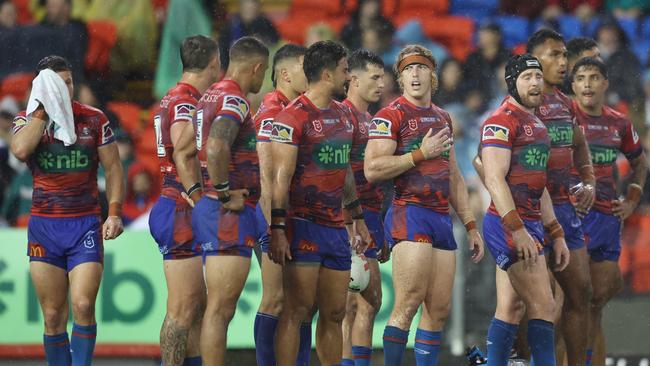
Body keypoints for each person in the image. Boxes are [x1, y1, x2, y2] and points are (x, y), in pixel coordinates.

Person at [363, 44, 484, 366]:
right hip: (409, 211)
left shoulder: (443, 116)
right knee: (408, 302)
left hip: (442, 217)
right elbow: (372, 169)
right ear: (400, 79)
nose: (414, 74)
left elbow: (455, 176)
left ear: (433, 75)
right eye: (407, 70)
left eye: (420, 68)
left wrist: (471, 224)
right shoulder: (390, 115)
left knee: (438, 310)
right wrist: (419, 154)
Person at [10, 55, 124, 365]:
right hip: (45, 227)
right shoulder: (26, 120)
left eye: (69, 82)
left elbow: (114, 168)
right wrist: (43, 110)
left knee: (84, 305)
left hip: (84, 223)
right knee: (52, 315)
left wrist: (113, 212)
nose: (66, 88)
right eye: (58, 83)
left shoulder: (94, 118)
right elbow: (20, 150)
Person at [268, 40, 370, 365]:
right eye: (344, 71)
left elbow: (346, 173)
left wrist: (357, 218)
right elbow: (279, 181)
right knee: (297, 311)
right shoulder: (291, 118)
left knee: (336, 312)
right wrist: (278, 229)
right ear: (327, 75)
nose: (348, 77)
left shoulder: (344, 115)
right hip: (303, 225)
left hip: (335, 228)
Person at [477, 54, 570, 366]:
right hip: (508, 224)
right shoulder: (500, 121)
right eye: (527, 77)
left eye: (538, 76)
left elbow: (538, 184)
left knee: (512, 307)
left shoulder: (537, 124)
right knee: (544, 305)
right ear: (511, 83)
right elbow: (492, 177)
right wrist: (517, 230)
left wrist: (556, 232)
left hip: (529, 224)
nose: (535, 83)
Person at [191, 36, 268, 366]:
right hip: (225, 211)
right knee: (220, 308)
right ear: (257, 68)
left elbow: (186, 147)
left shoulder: (209, 95)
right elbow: (216, 146)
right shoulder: (235, 100)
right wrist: (222, 190)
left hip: (215, 208)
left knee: (219, 307)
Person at [148, 35, 220, 366]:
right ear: (214, 64)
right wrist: (198, 199)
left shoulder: (177, 97)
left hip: (176, 205)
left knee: (196, 308)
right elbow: (182, 149)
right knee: (182, 308)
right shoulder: (186, 102)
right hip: (180, 206)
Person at [571, 57, 647, 366]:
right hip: (572, 219)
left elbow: (640, 162)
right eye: (581, 78)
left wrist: (631, 198)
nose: (587, 83)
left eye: (593, 77)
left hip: (607, 218)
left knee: (594, 305)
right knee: (569, 304)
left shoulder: (620, 123)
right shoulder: (563, 118)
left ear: (605, 83)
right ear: (573, 85)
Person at [527, 29, 595, 366]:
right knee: (532, 304)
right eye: (554, 54)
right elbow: (484, 160)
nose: (563, 61)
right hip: (532, 212)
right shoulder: (521, 103)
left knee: (580, 293)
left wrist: (589, 180)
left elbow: (580, 144)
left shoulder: (566, 104)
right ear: (534, 60)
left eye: (565, 54)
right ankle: (526, 360)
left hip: (565, 209)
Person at [251, 43, 311, 366]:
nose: (311, 73)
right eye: (305, 67)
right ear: (285, 74)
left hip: (288, 216)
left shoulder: (294, 109)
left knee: (297, 302)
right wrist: (273, 228)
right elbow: (265, 177)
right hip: (272, 216)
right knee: (275, 299)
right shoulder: (273, 112)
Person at [340, 49, 386, 366]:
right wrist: (348, 222)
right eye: (375, 77)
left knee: (370, 301)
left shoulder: (370, 120)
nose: (382, 84)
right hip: (349, 217)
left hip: (371, 214)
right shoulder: (341, 116)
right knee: (351, 304)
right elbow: (336, 175)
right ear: (353, 79)